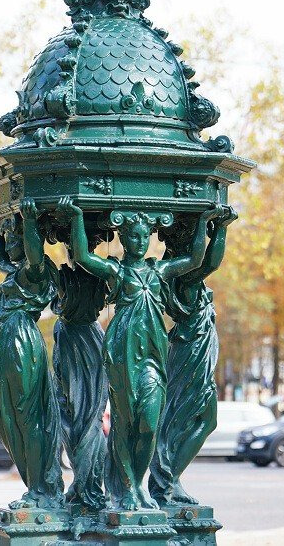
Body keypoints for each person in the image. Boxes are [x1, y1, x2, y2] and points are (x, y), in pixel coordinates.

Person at [57, 196, 222, 511]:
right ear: (123, 238)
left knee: (149, 421)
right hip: (123, 356)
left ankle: (137, 481)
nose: (139, 241)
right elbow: (83, 256)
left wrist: (207, 223)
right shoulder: (117, 272)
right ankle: (129, 487)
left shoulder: (160, 270)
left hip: (152, 358)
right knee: (125, 422)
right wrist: (76, 217)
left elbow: (196, 259)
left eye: (144, 236)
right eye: (133, 236)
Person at [149, 206, 238, 506]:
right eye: (191, 242)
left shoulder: (183, 278)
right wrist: (217, 227)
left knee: (200, 419)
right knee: (195, 417)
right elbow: (210, 261)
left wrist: (210, 225)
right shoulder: (184, 279)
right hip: (192, 354)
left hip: (197, 353)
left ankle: (169, 478)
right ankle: (167, 479)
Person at [0, 198, 64, 510]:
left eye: (14, 240)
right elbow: (1, 260)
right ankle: (36, 480)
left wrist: (29, 223)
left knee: (28, 417)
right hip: (7, 343)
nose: (8, 244)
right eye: (8, 239)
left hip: (20, 342)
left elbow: (33, 255)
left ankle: (40, 487)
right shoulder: (14, 273)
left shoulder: (35, 272)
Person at [52, 254, 108, 510]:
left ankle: (90, 486)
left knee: (90, 419)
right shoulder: (62, 276)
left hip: (89, 341)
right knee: (70, 416)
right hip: (69, 340)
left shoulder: (98, 275)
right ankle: (83, 484)